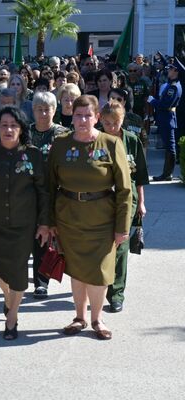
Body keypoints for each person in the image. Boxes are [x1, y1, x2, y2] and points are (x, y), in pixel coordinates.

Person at [47, 95, 132, 340]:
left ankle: (97, 319)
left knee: (100, 271)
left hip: (102, 220)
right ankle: (79, 317)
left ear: (97, 117)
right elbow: (49, 186)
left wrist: (122, 227)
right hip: (69, 219)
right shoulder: (60, 144)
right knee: (76, 269)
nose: (83, 120)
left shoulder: (111, 144)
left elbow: (125, 190)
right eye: (78, 115)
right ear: (71, 117)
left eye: (88, 115)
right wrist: (49, 221)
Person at [0, 106, 49, 340]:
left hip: (24, 225)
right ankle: (9, 298)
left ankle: (12, 317)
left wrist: (44, 223)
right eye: (4, 125)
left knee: (17, 272)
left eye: (14, 125)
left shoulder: (33, 154)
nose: (8, 129)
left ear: (21, 129)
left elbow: (43, 191)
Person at [99, 101, 149, 313]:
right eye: (107, 123)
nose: (112, 127)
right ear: (101, 120)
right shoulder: (96, 140)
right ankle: (100, 287)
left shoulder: (131, 140)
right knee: (102, 246)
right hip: (100, 201)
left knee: (121, 247)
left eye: (116, 122)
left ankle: (116, 293)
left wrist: (142, 203)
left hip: (127, 201)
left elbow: (139, 176)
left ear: (123, 120)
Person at [29, 91, 69, 298]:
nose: (43, 113)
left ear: (55, 110)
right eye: (39, 109)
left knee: (57, 238)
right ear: (33, 111)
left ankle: (78, 280)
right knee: (38, 239)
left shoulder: (63, 134)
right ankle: (40, 282)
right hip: (29, 194)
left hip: (56, 193)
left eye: (47, 109)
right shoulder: (25, 133)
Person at [148, 63, 182, 181]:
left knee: (170, 146)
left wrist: (153, 101)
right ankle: (167, 173)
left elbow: (164, 104)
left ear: (176, 71)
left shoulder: (173, 87)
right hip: (166, 117)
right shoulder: (171, 85)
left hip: (167, 118)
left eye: (171, 69)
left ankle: (167, 174)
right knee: (169, 146)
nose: (169, 70)